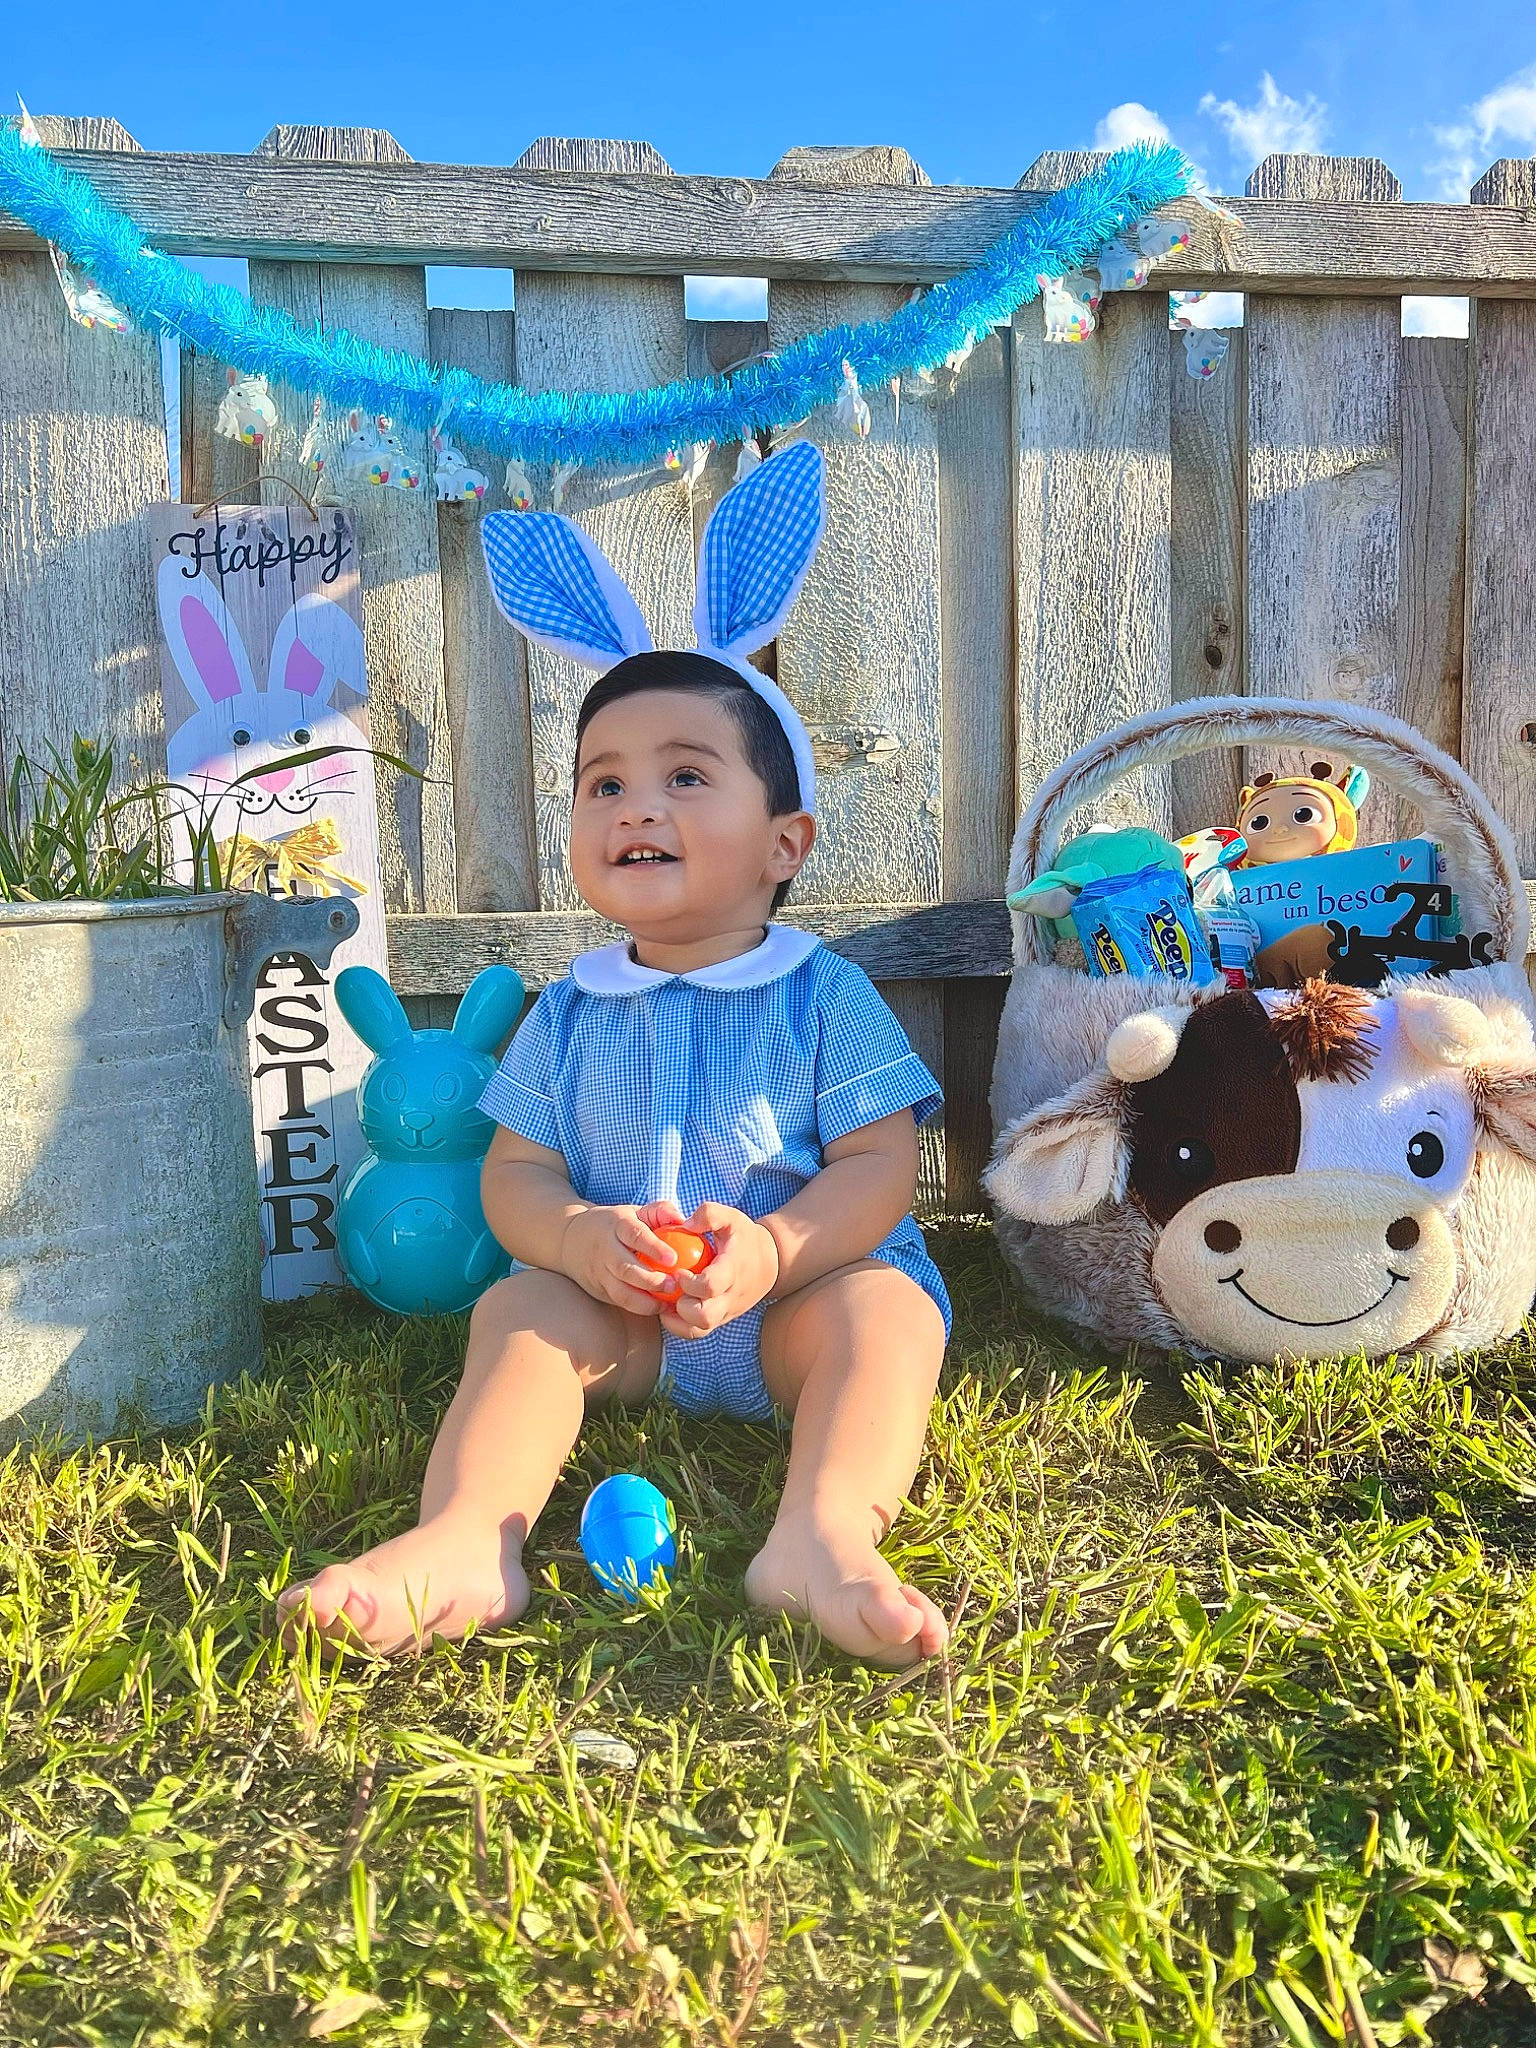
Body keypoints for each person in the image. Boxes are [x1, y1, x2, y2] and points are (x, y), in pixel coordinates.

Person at [278, 442, 951, 1665]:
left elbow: (879, 1168)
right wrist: (578, 1239)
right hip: (626, 1312)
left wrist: (780, 1247)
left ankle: (823, 1534)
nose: (637, 805)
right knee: (521, 1310)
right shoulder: (572, 1006)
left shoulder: (821, 992)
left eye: (686, 775)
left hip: (798, 1298)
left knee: (889, 1319)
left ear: (785, 841)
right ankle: (468, 1539)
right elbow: (516, 1176)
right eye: (604, 782)